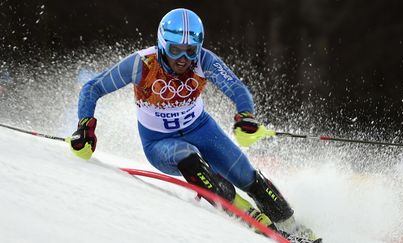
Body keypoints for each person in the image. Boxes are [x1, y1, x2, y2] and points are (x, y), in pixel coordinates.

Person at [68, 8, 320, 242]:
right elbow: (94, 86)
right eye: (176, 49)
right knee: (188, 158)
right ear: (162, 44)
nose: (183, 59)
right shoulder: (141, 64)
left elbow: (237, 89)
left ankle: (293, 226)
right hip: (159, 143)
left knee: (247, 176)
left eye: (191, 50)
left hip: (201, 129)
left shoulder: (204, 61)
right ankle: (249, 216)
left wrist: (246, 116)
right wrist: (85, 126)